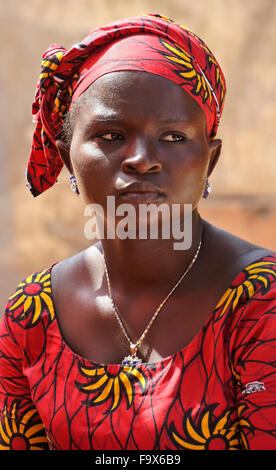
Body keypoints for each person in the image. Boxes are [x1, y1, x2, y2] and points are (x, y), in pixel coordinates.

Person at [0, 13, 276, 451]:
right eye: (111, 135)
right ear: (69, 160)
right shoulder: (33, 313)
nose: (142, 160)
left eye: (172, 136)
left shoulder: (261, 301)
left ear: (210, 160)